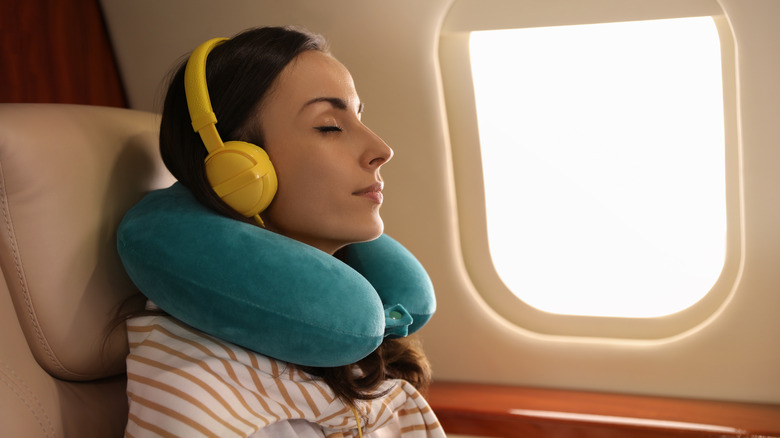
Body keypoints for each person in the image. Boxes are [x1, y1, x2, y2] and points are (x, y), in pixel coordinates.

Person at [122, 26, 445, 437]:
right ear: (238, 170)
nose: (382, 148)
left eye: (359, 116)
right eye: (329, 126)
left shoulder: (349, 340)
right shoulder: (207, 388)